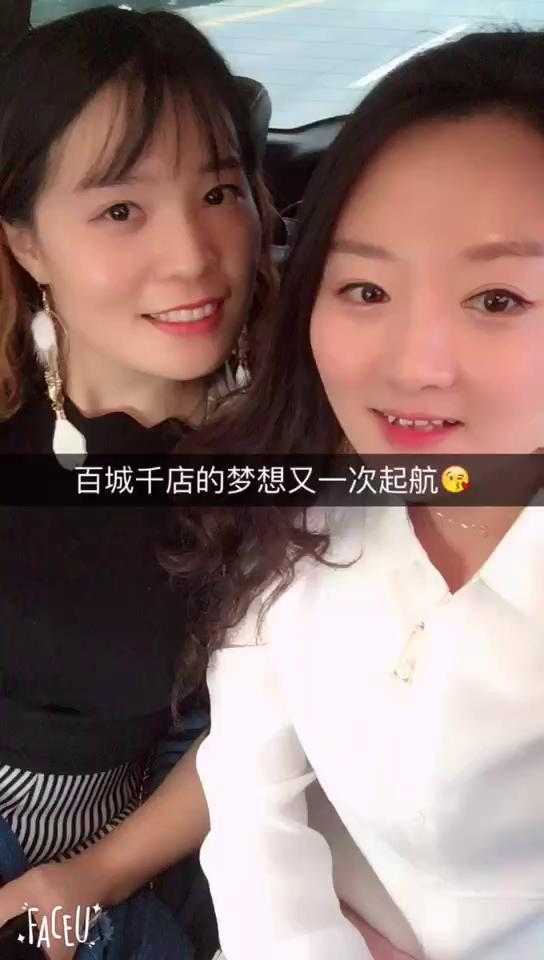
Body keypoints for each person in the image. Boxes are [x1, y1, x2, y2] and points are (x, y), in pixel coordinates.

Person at [169, 27, 544, 960]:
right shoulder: (299, 497)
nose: (414, 367)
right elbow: (249, 791)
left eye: (498, 300)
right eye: (367, 290)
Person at [0, 6, 274, 959]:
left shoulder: (303, 443)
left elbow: (276, 722)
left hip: (117, 861)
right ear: (27, 243)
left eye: (220, 192)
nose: (194, 257)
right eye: (122, 209)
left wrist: (89, 880)